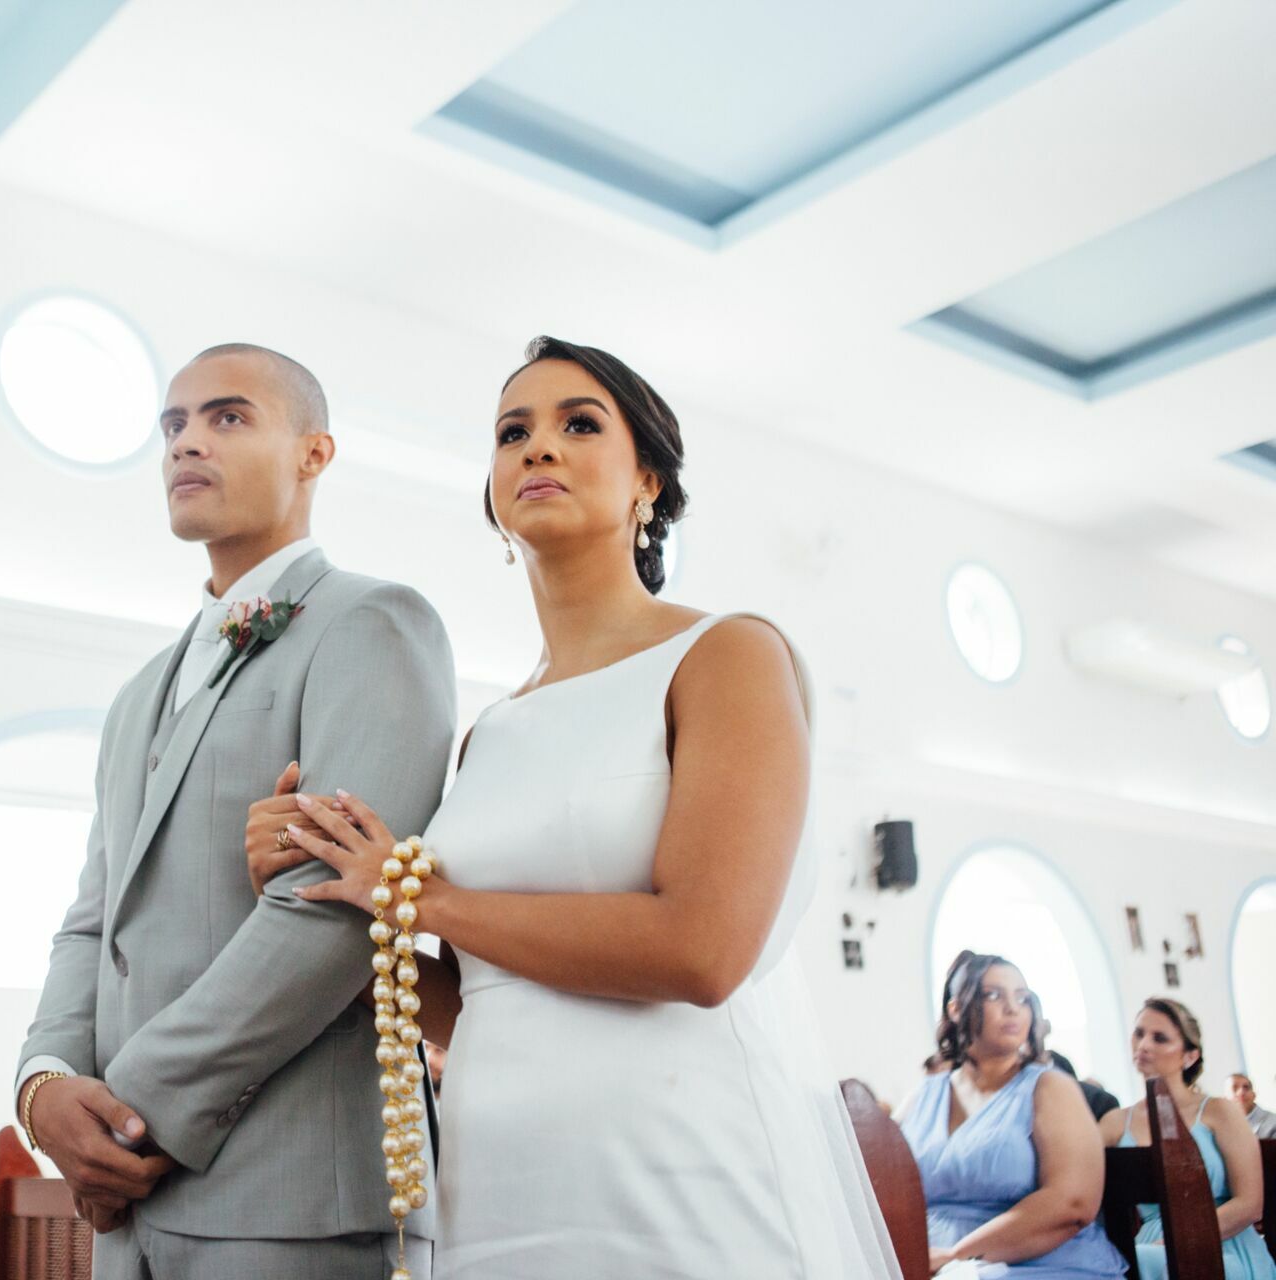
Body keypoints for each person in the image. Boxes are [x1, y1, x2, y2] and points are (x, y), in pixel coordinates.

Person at [248, 336, 898, 1277]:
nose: (538, 448)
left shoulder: (725, 657)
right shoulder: (488, 735)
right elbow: (478, 1004)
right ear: (493, 497)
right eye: (514, 432)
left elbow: (704, 951)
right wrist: (322, 893)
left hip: (682, 1176)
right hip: (502, 1184)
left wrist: (412, 900)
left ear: (649, 484)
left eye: (578, 424)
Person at [15, 343, 458, 1279]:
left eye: (227, 418)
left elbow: (335, 912)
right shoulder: (140, 692)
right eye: (173, 425)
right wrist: (47, 1085)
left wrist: (130, 1112)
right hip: (130, 1214)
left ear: (314, 454)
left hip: (292, 1201)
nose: (186, 444)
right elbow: (94, 920)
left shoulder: (372, 623)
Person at [895, 953, 1125, 1277]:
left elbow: (1073, 1203)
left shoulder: (1050, 1088)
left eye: (1022, 998)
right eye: (993, 995)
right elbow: (880, 1189)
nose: (1012, 1008)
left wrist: (955, 1255)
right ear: (956, 1009)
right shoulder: (922, 1097)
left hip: (1040, 1264)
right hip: (928, 1265)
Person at [1099, 1000, 1272, 1280]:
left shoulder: (1220, 1112)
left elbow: (1250, 1203)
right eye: (1139, 1033)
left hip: (1222, 1242)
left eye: (1160, 1038)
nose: (1144, 1044)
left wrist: (1175, 1243)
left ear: (1190, 1056)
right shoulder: (1115, 1122)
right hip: (1149, 1244)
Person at [1228, 1073, 1276, 1140]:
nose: (1241, 1092)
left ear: (1254, 1095)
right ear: (1225, 1099)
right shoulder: (1220, 1128)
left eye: (1246, 1087)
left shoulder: (1273, 1122)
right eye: (1234, 1088)